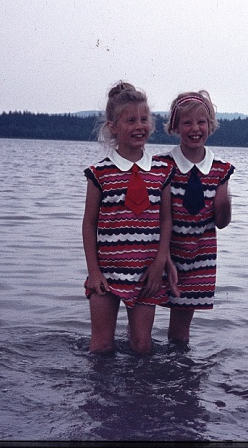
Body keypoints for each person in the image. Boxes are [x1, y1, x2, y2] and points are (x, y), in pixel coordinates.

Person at [82, 81, 174, 355]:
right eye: (130, 120)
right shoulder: (99, 173)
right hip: (106, 274)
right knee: (101, 347)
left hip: (147, 274)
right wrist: (94, 272)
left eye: (144, 119)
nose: (139, 126)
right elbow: (89, 223)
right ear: (113, 126)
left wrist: (159, 263)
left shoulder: (162, 170)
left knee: (142, 347)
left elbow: (166, 220)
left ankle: (139, 397)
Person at [156, 90, 234, 343]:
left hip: (198, 257)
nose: (195, 128)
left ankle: (179, 374)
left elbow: (222, 222)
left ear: (210, 125)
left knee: (180, 333)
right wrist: (162, 257)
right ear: (175, 126)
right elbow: (151, 218)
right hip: (158, 253)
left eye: (201, 122)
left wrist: (224, 198)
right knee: (141, 326)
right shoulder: (160, 165)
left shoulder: (221, 169)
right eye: (187, 122)